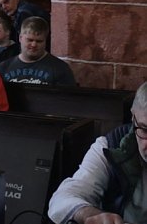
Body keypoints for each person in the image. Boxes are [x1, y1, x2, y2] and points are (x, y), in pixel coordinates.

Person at [48, 81, 147, 224]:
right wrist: (90, 214)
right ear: (133, 117)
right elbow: (63, 198)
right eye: (144, 130)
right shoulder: (111, 146)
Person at [0, 17, 76, 86]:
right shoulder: (3, 68)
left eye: (39, 41)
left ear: (45, 41)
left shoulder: (60, 69)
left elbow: (68, 101)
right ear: (20, 38)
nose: (34, 44)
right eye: (30, 40)